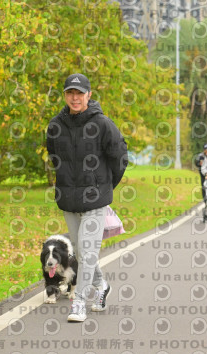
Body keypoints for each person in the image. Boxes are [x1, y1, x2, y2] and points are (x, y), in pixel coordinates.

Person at [46, 73, 128, 323]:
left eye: (79, 93)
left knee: (88, 252)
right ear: (65, 95)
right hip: (69, 200)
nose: (75, 98)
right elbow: (54, 157)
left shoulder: (102, 124)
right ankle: (102, 285)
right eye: (70, 93)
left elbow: (120, 157)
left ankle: (79, 302)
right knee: (81, 252)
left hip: (95, 200)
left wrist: (105, 187)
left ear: (88, 95)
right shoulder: (55, 125)